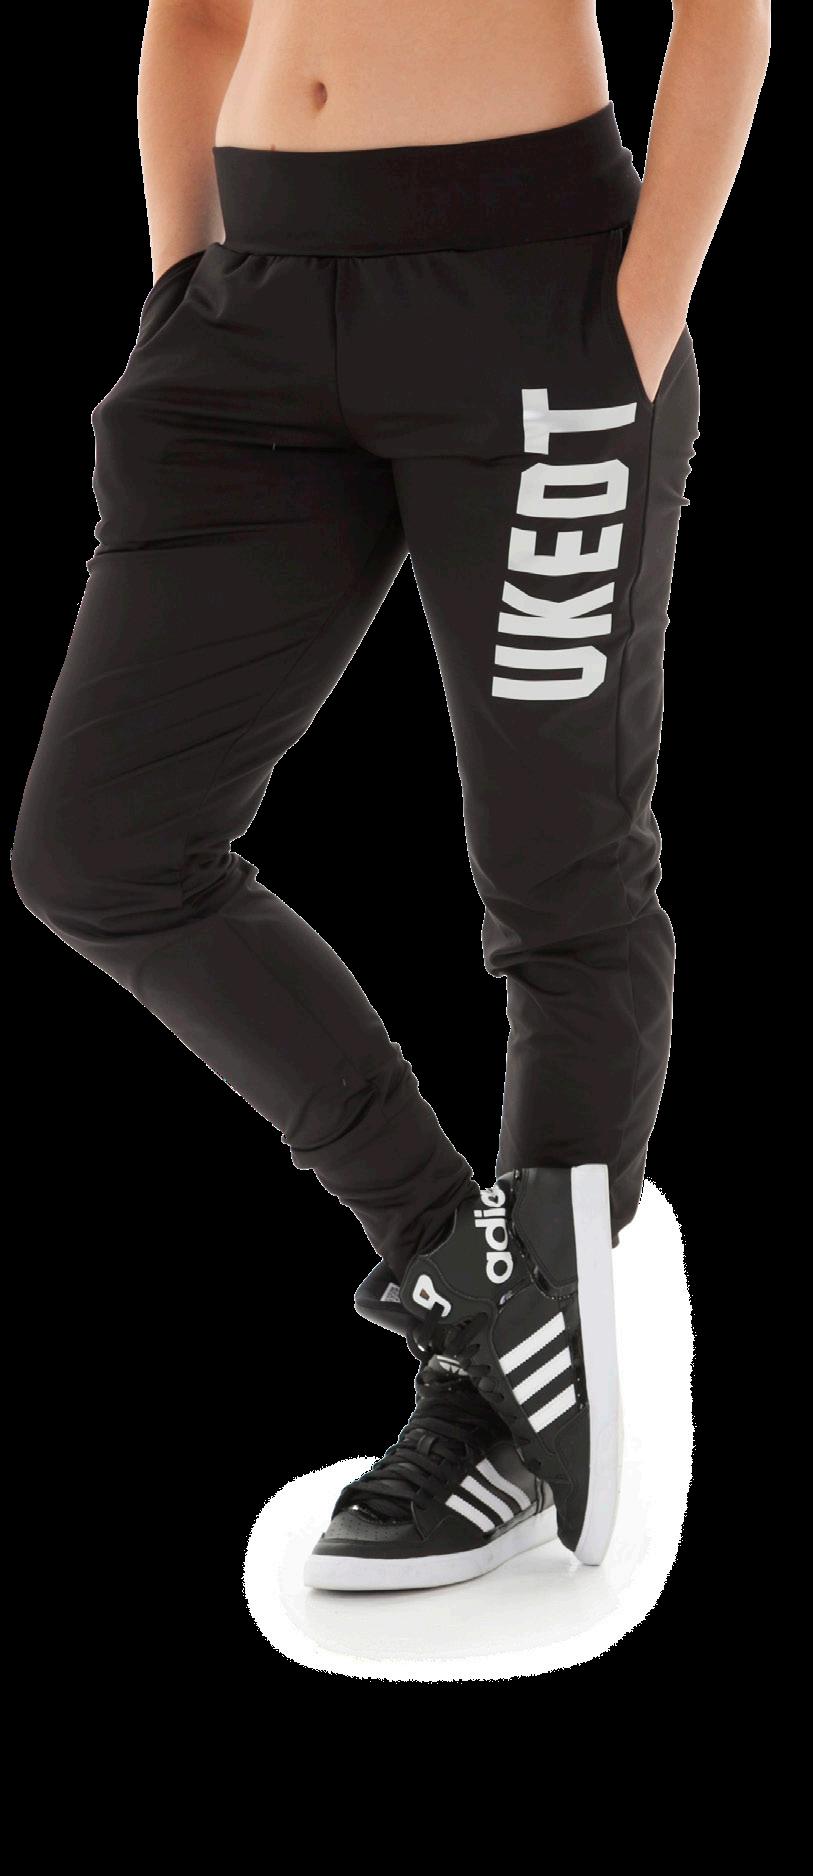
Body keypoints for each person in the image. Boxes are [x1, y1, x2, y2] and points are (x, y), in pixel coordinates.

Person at [11, 0, 770, 1592]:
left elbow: (724, 11)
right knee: (102, 849)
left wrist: (639, 314)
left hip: (534, 301)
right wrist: (182, 281)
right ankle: (465, 1266)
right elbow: (197, 13)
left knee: (561, 879)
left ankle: (496, 1403)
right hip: (249, 314)